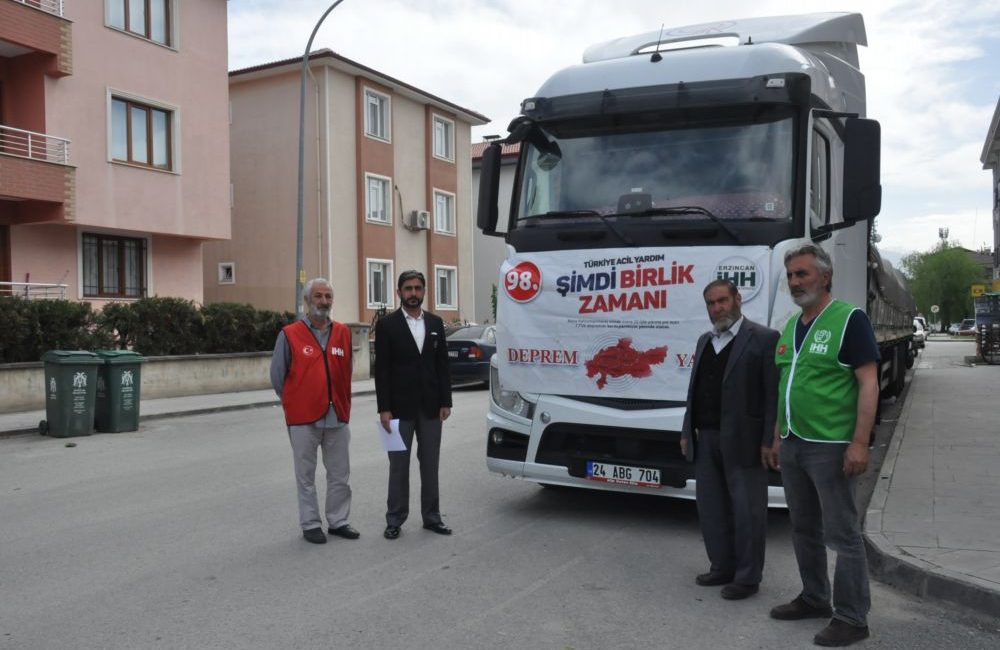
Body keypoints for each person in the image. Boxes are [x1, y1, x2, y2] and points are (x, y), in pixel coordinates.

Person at [765, 244, 879, 647]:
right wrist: (779, 436)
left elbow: (868, 382)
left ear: (825, 276)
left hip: (831, 446)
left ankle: (852, 618)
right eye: (791, 276)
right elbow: (787, 386)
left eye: (803, 274)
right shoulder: (790, 326)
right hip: (794, 444)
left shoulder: (850, 320)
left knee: (843, 534)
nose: (796, 282)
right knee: (803, 527)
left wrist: (860, 443)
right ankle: (814, 597)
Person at [680, 279, 779, 600]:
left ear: (738, 299)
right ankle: (721, 566)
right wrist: (686, 431)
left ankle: (748, 577)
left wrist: (770, 440)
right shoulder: (704, 341)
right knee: (711, 508)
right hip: (706, 437)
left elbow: (772, 395)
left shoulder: (763, 338)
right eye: (711, 303)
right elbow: (694, 391)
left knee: (748, 511)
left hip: (745, 441)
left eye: (722, 301)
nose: (717, 308)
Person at [270, 278, 359, 545]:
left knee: (340, 474)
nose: (324, 302)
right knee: (305, 476)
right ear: (308, 301)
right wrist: (296, 402)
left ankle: (339, 521)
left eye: (328, 296)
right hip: (303, 419)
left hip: (337, 416)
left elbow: (347, 371)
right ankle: (310, 524)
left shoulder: (343, 332)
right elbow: (277, 376)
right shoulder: (289, 334)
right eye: (318, 296)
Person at [374, 270, 453, 540]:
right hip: (396, 410)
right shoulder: (386, 325)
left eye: (418, 288)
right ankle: (395, 518)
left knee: (430, 463)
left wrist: (446, 401)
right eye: (408, 288)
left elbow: (442, 365)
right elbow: (382, 371)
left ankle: (432, 517)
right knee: (398, 465)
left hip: (431, 408)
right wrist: (383, 409)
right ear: (399, 292)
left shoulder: (435, 322)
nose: (413, 293)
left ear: (424, 291)